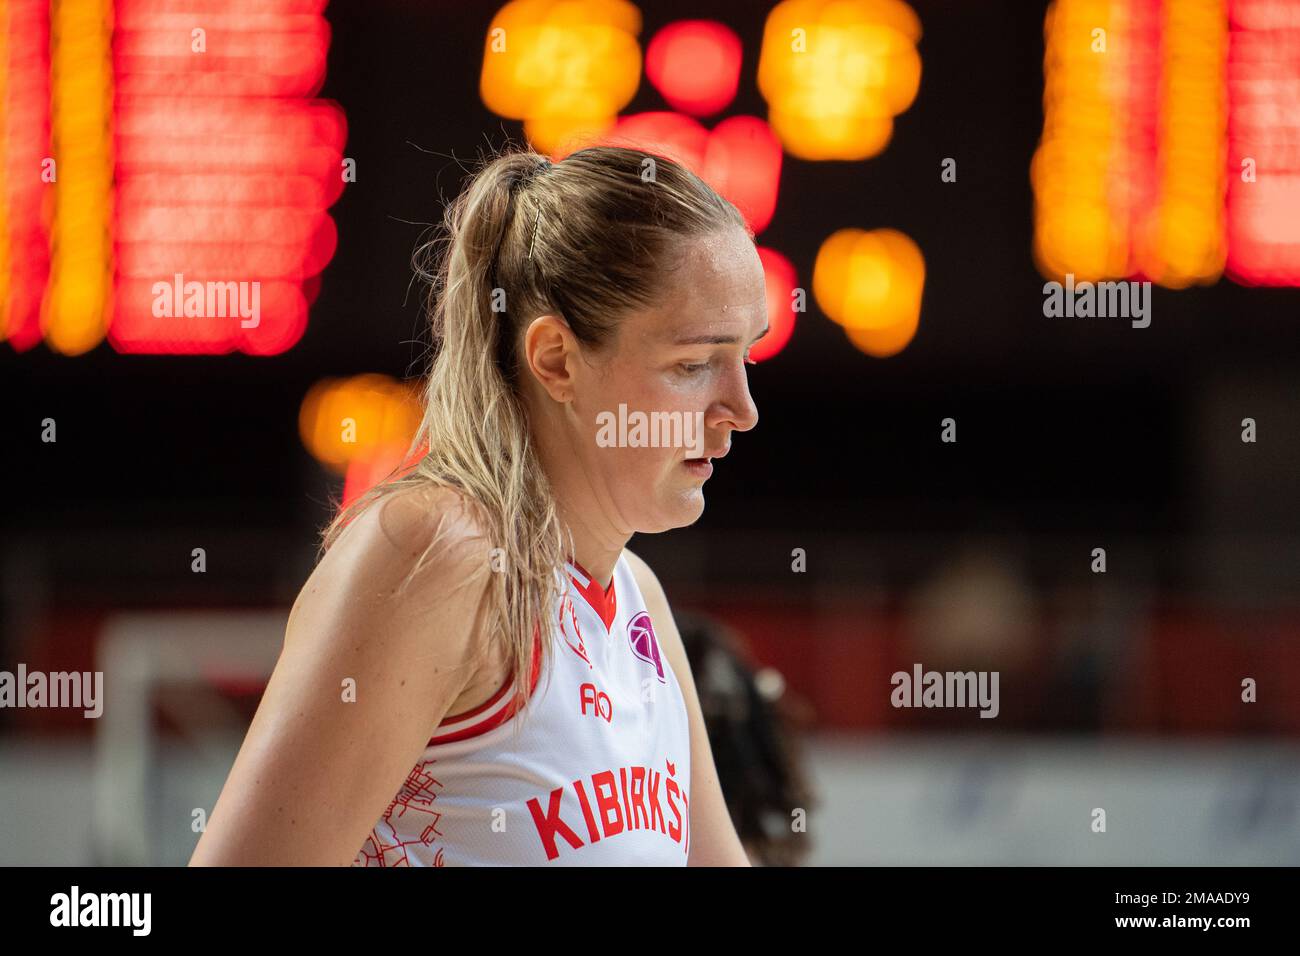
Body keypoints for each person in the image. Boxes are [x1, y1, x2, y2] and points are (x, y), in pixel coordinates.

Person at [189, 144, 767, 866]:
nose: (741, 410)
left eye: (747, 357)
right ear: (556, 359)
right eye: (693, 365)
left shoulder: (636, 597)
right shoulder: (435, 554)